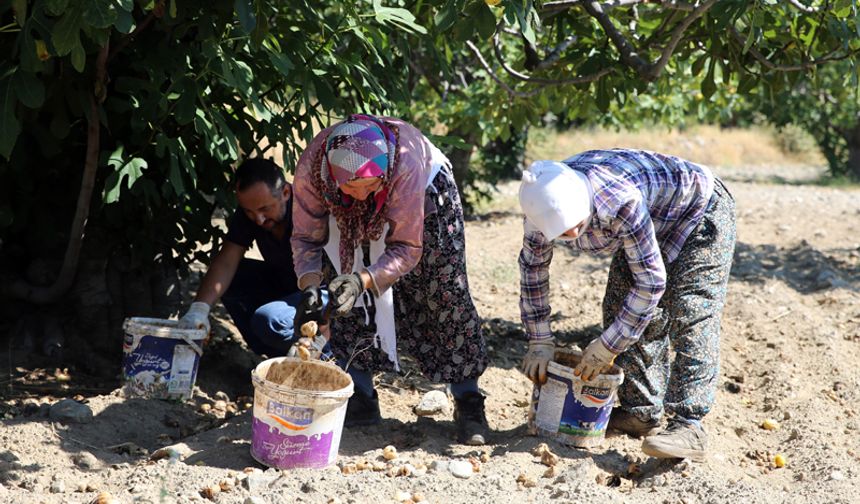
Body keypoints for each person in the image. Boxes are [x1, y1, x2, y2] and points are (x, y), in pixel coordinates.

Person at [517, 149, 736, 462]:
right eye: (560, 231)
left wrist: (607, 348)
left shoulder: (619, 200)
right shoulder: (540, 207)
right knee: (621, 301)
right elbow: (533, 271)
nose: (569, 234)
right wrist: (539, 340)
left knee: (691, 309)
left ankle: (689, 424)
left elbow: (651, 283)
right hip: (653, 217)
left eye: (573, 225)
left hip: (699, 208)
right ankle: (641, 412)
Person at [290, 114, 490, 445]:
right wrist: (310, 285)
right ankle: (361, 397)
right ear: (334, 177)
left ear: (383, 174)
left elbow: (407, 248)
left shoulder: (405, 167)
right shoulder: (313, 171)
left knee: (444, 292)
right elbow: (306, 238)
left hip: (423, 196)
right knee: (342, 292)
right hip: (342, 211)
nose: (363, 197)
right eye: (354, 187)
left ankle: (468, 400)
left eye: (371, 186)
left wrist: (363, 279)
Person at [178, 158, 313, 357]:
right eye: (249, 212)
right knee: (235, 278)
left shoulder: (309, 212)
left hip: (318, 294)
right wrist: (199, 309)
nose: (258, 219)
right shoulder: (252, 211)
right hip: (285, 284)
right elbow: (226, 261)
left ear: (285, 193)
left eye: (265, 209)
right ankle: (273, 355)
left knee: (270, 320)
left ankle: (318, 355)